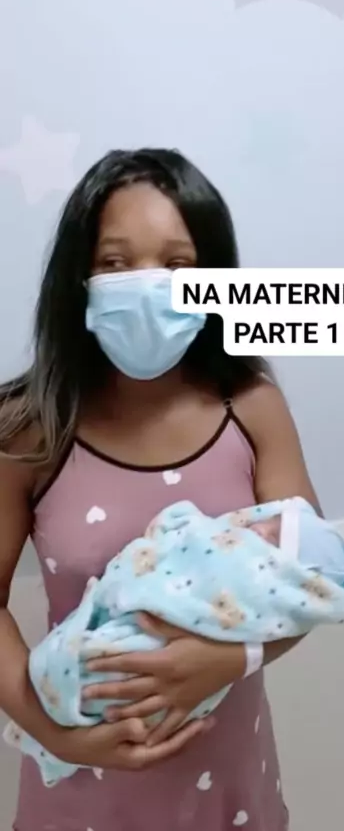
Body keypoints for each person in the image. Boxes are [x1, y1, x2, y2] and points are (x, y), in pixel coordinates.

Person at [0, 148, 321, 831]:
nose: (148, 286)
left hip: (232, 786)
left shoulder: (252, 407)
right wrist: (52, 735)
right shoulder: (28, 427)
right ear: (80, 278)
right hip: (80, 793)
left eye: (178, 265)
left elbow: (310, 578)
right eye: (116, 262)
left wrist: (231, 658)